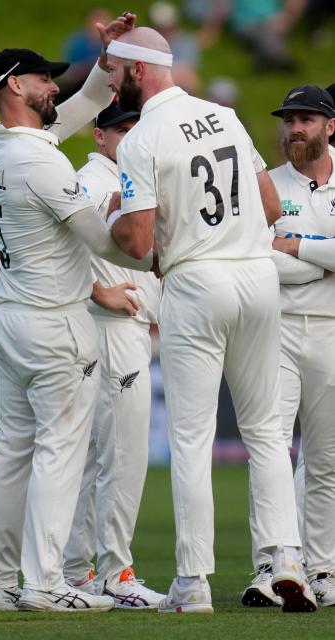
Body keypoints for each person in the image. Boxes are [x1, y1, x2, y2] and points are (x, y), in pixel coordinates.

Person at [104, 26, 316, 613]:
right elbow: (271, 206)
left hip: (198, 280)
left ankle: (194, 582)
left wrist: (111, 224)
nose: (112, 82)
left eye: (116, 70)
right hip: (257, 273)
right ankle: (287, 560)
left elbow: (140, 240)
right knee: (268, 433)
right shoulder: (223, 115)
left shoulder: (140, 139)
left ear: (138, 72)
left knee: (192, 439)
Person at [0, 14, 154, 614]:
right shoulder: (43, 165)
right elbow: (108, 244)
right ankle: (47, 584)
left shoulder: (6, 146)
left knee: (12, 452)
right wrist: (142, 213)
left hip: (12, 318)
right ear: (12, 88)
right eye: (42, 79)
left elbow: (81, 106)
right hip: (53, 327)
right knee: (61, 452)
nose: (54, 86)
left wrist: (112, 58)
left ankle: (0, 583)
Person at [63, 102, 164, 608]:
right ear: (99, 136)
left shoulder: (125, 183)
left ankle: (79, 569)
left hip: (124, 325)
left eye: (137, 130)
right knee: (122, 454)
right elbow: (59, 247)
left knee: (96, 456)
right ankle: (114, 574)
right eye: (121, 130)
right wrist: (90, 290)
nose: (131, 138)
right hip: (111, 326)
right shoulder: (94, 182)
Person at [243, 84, 335, 608]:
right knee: (272, 448)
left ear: (330, 126)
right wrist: (323, 261)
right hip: (274, 328)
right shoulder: (267, 185)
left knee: (325, 458)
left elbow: (279, 252)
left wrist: (295, 245)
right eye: (289, 120)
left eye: (305, 120)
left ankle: (321, 569)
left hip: (331, 329)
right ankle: (272, 564)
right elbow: (257, 255)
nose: (293, 129)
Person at [148, 1, 201, 94]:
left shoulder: (186, 42)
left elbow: (191, 79)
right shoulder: (146, 41)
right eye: (161, 27)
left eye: (168, 26)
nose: (166, 31)